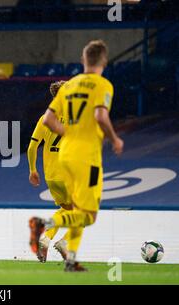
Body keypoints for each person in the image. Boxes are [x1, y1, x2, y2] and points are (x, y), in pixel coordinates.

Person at [29, 40, 124, 272]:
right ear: (103, 61)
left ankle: (69, 256)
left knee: (75, 209)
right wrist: (115, 139)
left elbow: (48, 120)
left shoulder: (68, 88)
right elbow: (101, 116)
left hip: (65, 158)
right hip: (86, 157)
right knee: (88, 215)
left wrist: (67, 134)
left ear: (83, 60)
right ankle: (46, 226)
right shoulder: (103, 85)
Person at [27, 80, 71, 263]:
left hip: (51, 176)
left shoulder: (45, 118)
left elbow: (31, 147)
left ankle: (46, 238)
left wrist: (32, 170)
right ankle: (64, 243)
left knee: (66, 209)